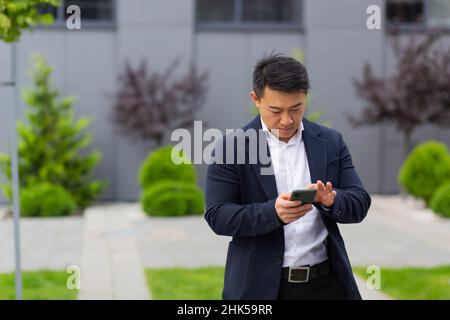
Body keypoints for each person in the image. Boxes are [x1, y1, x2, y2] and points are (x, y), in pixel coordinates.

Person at [204, 53, 371, 300]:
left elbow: (360, 202)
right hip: (259, 290)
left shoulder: (331, 142)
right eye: (276, 110)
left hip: (327, 287)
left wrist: (330, 200)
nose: (287, 120)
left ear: (305, 98)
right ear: (256, 99)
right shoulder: (232, 147)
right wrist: (273, 213)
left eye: (296, 108)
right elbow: (218, 216)